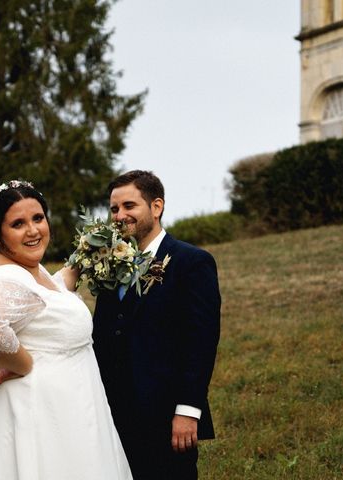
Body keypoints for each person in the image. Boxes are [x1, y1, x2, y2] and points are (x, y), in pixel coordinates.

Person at [0, 180, 132, 480]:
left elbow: (48, 296)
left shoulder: (27, 269)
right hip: (43, 415)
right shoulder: (4, 275)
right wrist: (23, 364)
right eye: (18, 223)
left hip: (71, 408)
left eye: (38, 218)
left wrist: (83, 257)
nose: (32, 230)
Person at [92, 170, 221, 480]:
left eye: (129, 206)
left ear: (157, 207)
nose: (120, 216)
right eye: (114, 209)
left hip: (167, 417)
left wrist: (188, 411)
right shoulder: (110, 266)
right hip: (114, 417)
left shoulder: (191, 262)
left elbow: (201, 342)